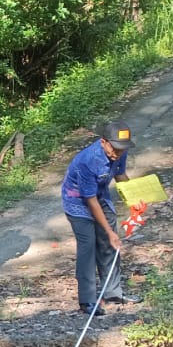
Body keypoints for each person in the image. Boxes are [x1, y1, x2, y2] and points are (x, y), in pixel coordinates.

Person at [62, 121, 141, 314]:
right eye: (114, 149)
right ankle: (87, 301)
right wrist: (109, 231)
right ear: (103, 142)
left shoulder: (120, 151)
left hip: (101, 196)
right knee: (88, 246)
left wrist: (133, 199)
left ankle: (112, 292)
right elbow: (90, 201)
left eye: (122, 149)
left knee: (109, 245)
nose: (118, 153)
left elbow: (120, 175)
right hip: (78, 202)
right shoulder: (88, 160)